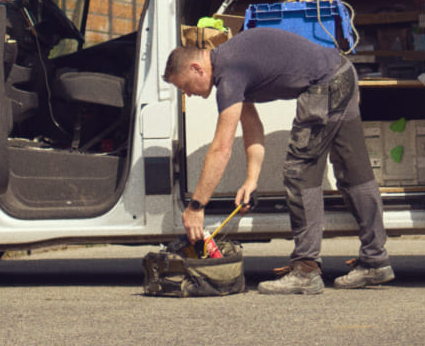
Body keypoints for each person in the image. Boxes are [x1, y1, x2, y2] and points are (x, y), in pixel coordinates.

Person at [164, 26, 393, 294]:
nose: (188, 94)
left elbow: (221, 148)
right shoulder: (231, 65)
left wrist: (196, 206)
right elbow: (253, 128)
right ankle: (375, 261)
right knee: (355, 172)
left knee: (300, 174)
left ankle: (306, 271)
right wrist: (251, 180)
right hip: (342, 72)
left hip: (326, 83)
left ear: (196, 68)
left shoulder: (229, 74)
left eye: (185, 86)